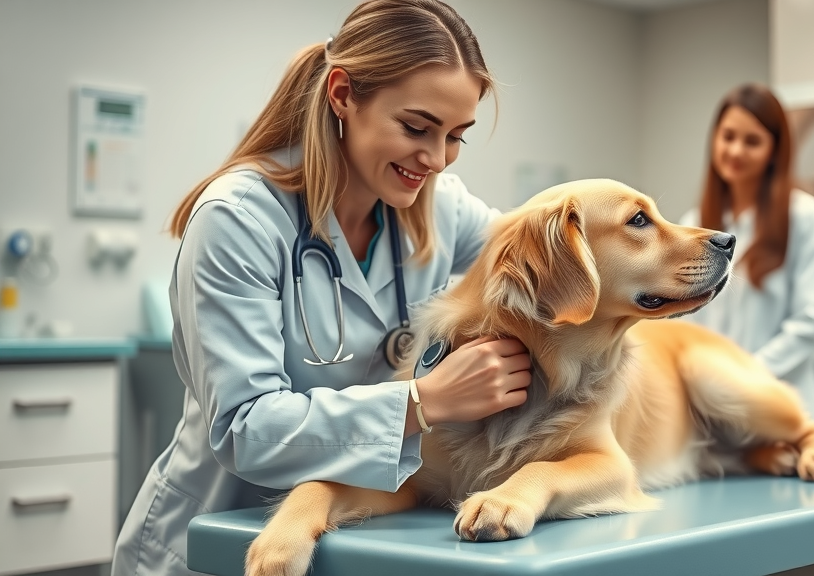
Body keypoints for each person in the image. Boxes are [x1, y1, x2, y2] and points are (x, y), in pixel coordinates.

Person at [111, 2, 533, 574]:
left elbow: (533, 257)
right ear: (342, 94)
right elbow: (247, 430)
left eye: (456, 136)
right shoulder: (240, 218)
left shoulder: (439, 208)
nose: (435, 159)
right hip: (217, 536)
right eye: (416, 128)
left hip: (343, 535)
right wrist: (424, 401)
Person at [679, 83, 814, 429]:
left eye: (752, 141)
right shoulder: (693, 224)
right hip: (714, 414)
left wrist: (743, 376)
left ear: (774, 151)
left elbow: (808, 325)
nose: (735, 150)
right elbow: (683, 321)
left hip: (782, 409)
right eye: (728, 136)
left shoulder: (806, 218)